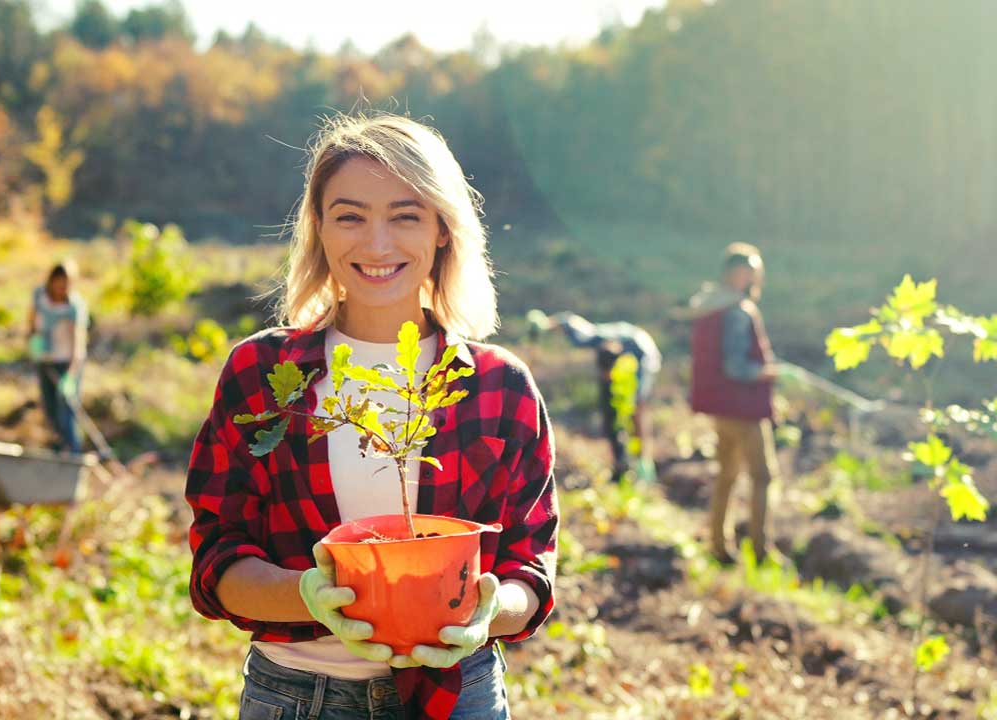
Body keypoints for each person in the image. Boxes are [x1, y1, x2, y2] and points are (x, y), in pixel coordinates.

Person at [184, 114, 558, 720]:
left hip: (457, 694)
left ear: (442, 229)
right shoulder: (261, 375)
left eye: (405, 215)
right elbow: (217, 558)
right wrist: (310, 596)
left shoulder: (498, 387)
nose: (377, 244)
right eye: (351, 215)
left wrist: (488, 608)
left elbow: (529, 566)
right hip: (300, 697)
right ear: (320, 230)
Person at [687, 242, 780, 564]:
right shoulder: (737, 311)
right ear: (738, 274)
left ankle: (718, 543)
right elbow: (736, 367)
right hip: (743, 409)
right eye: (750, 271)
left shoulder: (711, 305)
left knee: (727, 474)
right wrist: (770, 372)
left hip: (720, 408)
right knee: (762, 476)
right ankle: (760, 549)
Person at [529, 311, 660, 482]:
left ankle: (643, 463)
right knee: (626, 412)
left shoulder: (589, 338)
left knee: (637, 409)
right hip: (640, 351)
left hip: (644, 354)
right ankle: (633, 462)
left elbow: (569, 322)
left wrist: (547, 323)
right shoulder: (596, 339)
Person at [27, 260, 88, 455]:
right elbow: (31, 324)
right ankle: (58, 453)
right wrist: (33, 341)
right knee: (51, 412)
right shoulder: (40, 297)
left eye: (67, 284)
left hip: (67, 364)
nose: (62, 288)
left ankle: (74, 454)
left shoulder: (74, 307)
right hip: (45, 361)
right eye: (59, 283)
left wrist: (70, 377)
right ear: (52, 281)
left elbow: (78, 347)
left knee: (67, 414)